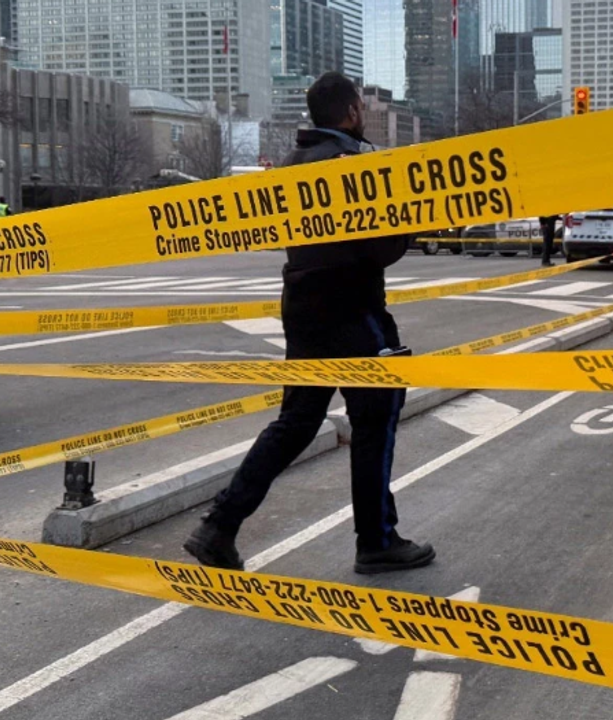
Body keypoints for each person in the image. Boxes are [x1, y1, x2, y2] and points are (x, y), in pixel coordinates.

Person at [184, 72, 434, 575]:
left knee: (297, 422)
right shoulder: (352, 164)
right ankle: (377, 540)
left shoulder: (292, 166)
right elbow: (379, 246)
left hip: (302, 304)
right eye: (361, 106)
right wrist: (412, 223)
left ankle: (219, 526)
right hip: (353, 305)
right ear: (352, 111)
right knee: (375, 417)